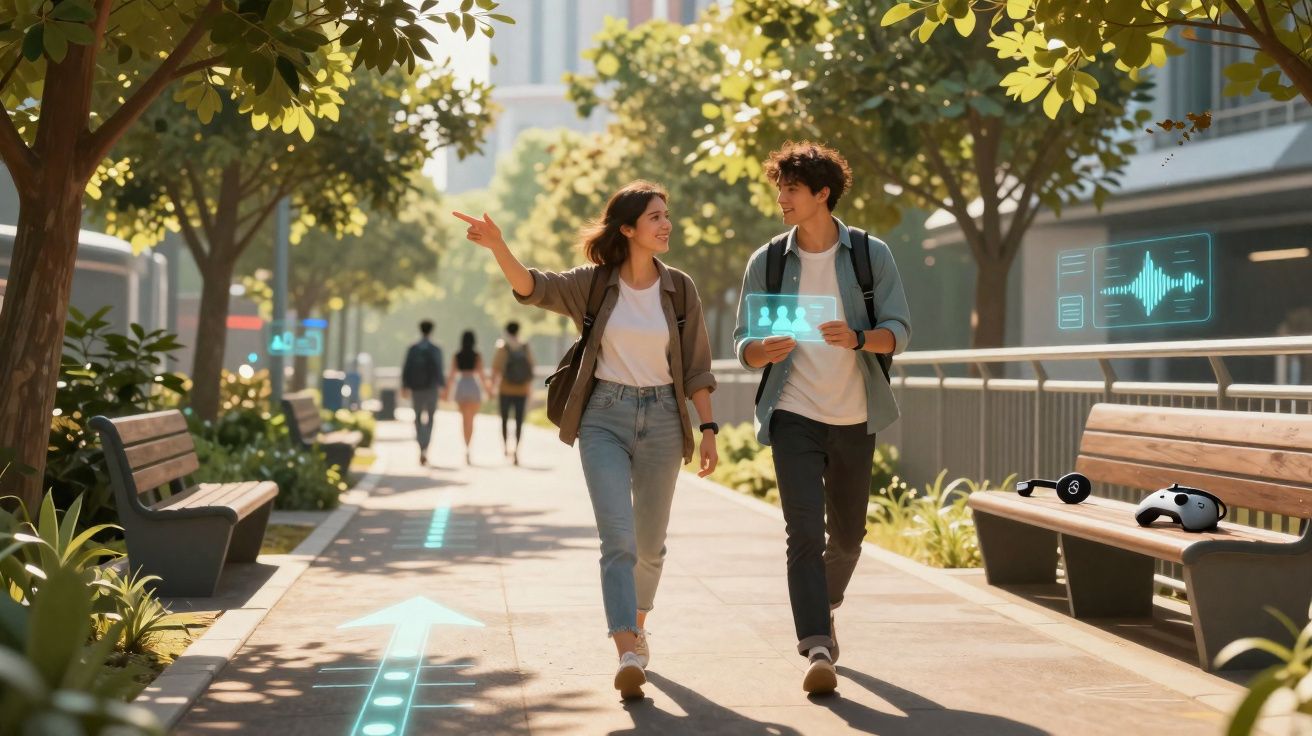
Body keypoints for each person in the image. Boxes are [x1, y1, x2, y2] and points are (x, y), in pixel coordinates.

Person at [453, 180, 719, 701]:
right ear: (627, 228)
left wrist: (708, 429)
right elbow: (533, 288)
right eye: (655, 217)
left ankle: (637, 625)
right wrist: (499, 247)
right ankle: (624, 647)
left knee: (650, 545)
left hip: (665, 417)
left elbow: (696, 367)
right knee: (616, 538)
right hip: (604, 416)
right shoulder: (594, 285)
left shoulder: (680, 289)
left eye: (667, 215)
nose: (666, 225)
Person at [733, 142, 911, 695]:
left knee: (850, 536)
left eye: (792, 189)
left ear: (822, 194)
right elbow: (743, 343)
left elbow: (899, 332)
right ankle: (816, 644)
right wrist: (766, 350)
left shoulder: (867, 254)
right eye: (779, 187)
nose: (781, 198)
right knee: (803, 533)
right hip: (794, 411)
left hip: (855, 412)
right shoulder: (767, 261)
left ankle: (825, 598)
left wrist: (857, 337)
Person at [442, 330, 493, 465]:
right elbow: (482, 375)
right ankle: (469, 447)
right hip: (473, 386)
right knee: (471, 420)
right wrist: (488, 391)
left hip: (461, 386)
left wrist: (446, 392)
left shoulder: (457, 355)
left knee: (464, 420)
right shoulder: (477, 355)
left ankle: (466, 446)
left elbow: (452, 375)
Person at [400, 320, 445, 466]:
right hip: (431, 388)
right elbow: (439, 369)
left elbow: (406, 368)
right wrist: (442, 387)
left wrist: (405, 386)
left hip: (416, 388)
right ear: (432, 330)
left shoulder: (413, 348)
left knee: (418, 417)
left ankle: (421, 445)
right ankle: (426, 446)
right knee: (430, 418)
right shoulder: (435, 348)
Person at [491, 321, 534, 465]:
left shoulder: (503, 347)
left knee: (504, 419)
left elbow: (496, 368)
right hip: (521, 390)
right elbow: (531, 367)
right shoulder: (525, 346)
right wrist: (529, 388)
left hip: (505, 389)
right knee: (519, 421)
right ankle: (516, 450)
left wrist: (492, 387)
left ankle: (505, 447)